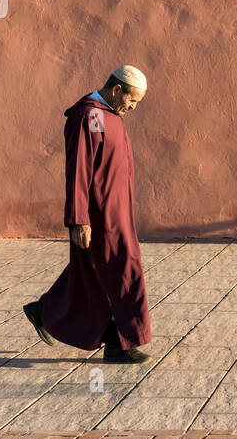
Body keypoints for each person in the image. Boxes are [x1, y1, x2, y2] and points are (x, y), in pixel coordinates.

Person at [23, 65, 152, 363]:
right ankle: (122, 342)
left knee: (93, 271)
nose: (132, 107)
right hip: (99, 216)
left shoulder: (110, 116)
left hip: (118, 212)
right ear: (116, 89)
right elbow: (79, 171)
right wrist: (79, 219)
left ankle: (46, 311)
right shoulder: (91, 117)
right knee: (123, 269)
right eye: (132, 100)